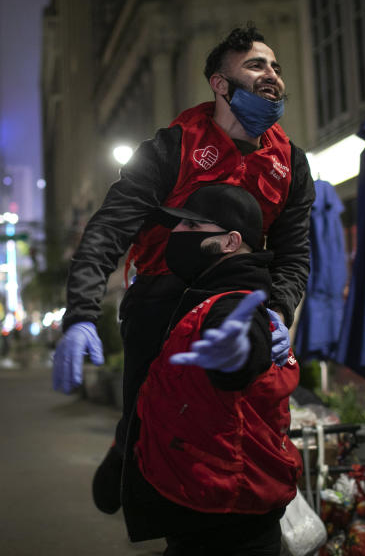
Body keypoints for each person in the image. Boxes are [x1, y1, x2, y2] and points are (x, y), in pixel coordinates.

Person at [51, 25, 314, 510]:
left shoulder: (291, 163)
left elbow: (295, 253)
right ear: (219, 83)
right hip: (162, 301)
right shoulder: (171, 149)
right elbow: (107, 230)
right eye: (256, 64)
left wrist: (279, 310)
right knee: (156, 429)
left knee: (240, 430)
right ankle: (133, 449)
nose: (272, 74)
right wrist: (82, 315)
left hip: (239, 305)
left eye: (276, 66)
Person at [120, 184, 302, 554]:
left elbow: (239, 356)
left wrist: (233, 354)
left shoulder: (233, 302)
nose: (177, 234)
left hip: (226, 525)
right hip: (212, 514)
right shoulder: (207, 296)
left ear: (230, 242)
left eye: (191, 227)